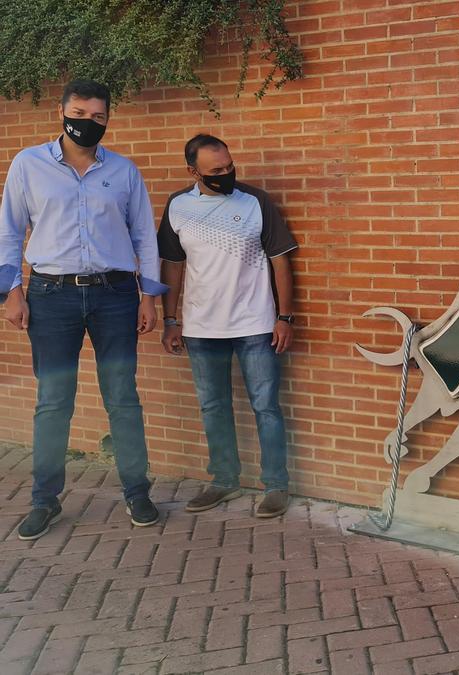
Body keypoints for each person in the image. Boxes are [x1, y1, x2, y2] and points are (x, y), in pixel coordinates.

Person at [0, 79, 167, 539]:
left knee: (123, 398)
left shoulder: (124, 171)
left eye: (97, 116)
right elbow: (10, 231)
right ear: (61, 110)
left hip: (115, 296)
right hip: (51, 297)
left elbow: (143, 238)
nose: (86, 122)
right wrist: (11, 291)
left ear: (108, 118)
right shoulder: (28, 164)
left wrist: (148, 296)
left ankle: (137, 491)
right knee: (53, 403)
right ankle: (44, 499)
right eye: (78, 112)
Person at [158, 133, 298, 518]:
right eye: (216, 171)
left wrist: (284, 317)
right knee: (213, 406)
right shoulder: (178, 206)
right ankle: (223, 479)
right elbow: (171, 265)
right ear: (193, 171)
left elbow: (280, 261)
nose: (226, 174)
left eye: (230, 166)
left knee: (266, 406)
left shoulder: (255, 201)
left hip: (255, 324)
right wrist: (170, 319)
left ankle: (275, 485)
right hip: (201, 328)